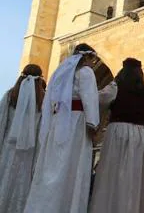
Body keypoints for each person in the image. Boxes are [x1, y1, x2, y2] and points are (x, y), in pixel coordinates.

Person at [24, 43, 100, 213]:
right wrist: (93, 124)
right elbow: (90, 100)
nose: (92, 63)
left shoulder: (62, 74)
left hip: (59, 123)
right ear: (86, 57)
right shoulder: (86, 73)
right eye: (91, 59)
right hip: (76, 124)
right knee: (71, 167)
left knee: (53, 167)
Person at [89, 58, 144, 213]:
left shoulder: (115, 87)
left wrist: (97, 123)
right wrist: (142, 128)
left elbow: (97, 100)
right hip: (140, 134)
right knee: (134, 176)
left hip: (117, 131)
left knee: (113, 173)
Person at [0, 64, 46, 212]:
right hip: (28, 152)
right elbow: (41, 132)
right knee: (21, 187)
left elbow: (1, 122)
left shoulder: (10, 96)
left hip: (8, 149)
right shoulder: (42, 102)